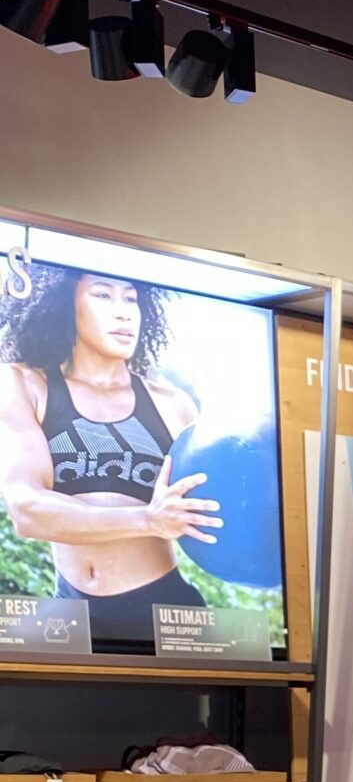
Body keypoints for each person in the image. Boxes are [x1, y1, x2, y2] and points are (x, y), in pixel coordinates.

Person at [0, 265, 219, 647]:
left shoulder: (173, 405)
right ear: (65, 304)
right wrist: (147, 519)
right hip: (69, 615)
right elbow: (27, 510)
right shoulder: (24, 385)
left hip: (165, 612)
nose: (123, 312)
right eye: (103, 294)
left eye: (131, 299)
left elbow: (217, 508)